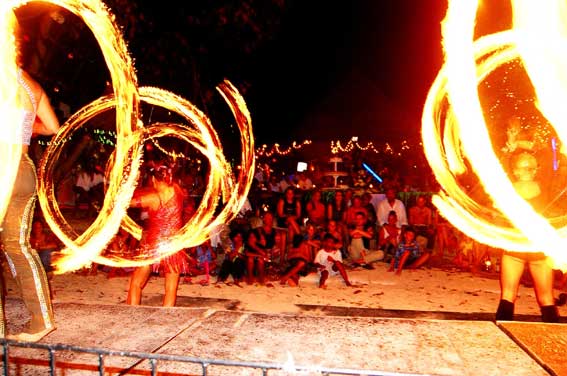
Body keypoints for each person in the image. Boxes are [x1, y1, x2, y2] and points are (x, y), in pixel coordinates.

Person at [1, 16, 61, 341]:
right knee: (18, 246)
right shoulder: (29, 84)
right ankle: (41, 321)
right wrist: (25, 131)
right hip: (23, 168)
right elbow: (52, 127)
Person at [496, 152, 559, 322]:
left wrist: (510, 150)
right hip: (537, 247)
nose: (531, 170)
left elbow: (496, 172)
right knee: (546, 297)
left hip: (516, 246)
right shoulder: (545, 187)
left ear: (515, 171)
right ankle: (554, 338)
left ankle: (503, 333)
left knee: (508, 295)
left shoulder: (506, 190)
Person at [126, 163, 188, 307]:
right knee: (171, 289)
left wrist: (128, 185)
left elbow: (128, 203)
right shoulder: (178, 191)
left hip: (154, 246)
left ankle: (131, 315)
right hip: (173, 246)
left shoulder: (152, 199)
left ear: (154, 180)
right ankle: (165, 321)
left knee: (136, 283)